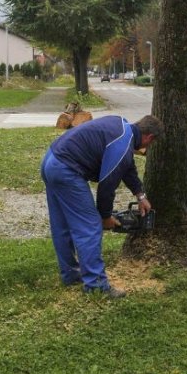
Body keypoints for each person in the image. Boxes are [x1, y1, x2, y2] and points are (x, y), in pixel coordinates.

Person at [40, 114, 164, 298]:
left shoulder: (121, 126)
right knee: (90, 227)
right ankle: (96, 285)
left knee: (63, 225)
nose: (147, 148)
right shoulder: (123, 144)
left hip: (51, 160)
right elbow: (107, 185)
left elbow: (127, 166)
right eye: (150, 144)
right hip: (66, 170)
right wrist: (105, 217)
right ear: (149, 138)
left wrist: (140, 194)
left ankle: (71, 275)